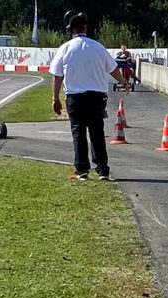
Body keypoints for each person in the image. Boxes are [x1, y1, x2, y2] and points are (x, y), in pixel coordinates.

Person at [49, 11, 129, 181]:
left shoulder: (65, 48)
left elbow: (57, 76)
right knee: (97, 132)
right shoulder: (98, 47)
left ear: (71, 30)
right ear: (85, 28)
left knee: (78, 132)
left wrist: (55, 98)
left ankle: (82, 170)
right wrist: (124, 82)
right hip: (97, 96)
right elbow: (113, 69)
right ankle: (103, 170)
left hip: (75, 96)